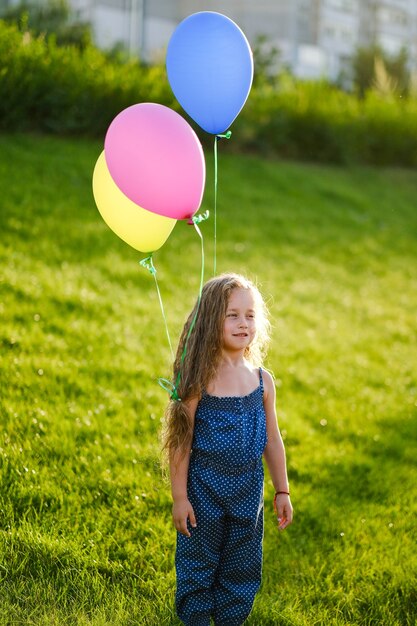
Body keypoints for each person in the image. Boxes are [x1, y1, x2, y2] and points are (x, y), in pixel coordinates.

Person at [163, 273, 293, 626]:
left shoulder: (262, 381)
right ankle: (197, 619)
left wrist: (282, 489)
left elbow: (272, 438)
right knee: (200, 561)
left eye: (250, 315)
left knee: (242, 563)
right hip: (204, 489)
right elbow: (180, 440)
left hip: (248, 491)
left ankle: (231, 619)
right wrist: (179, 497)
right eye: (231, 315)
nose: (243, 323)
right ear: (210, 320)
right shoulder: (198, 380)